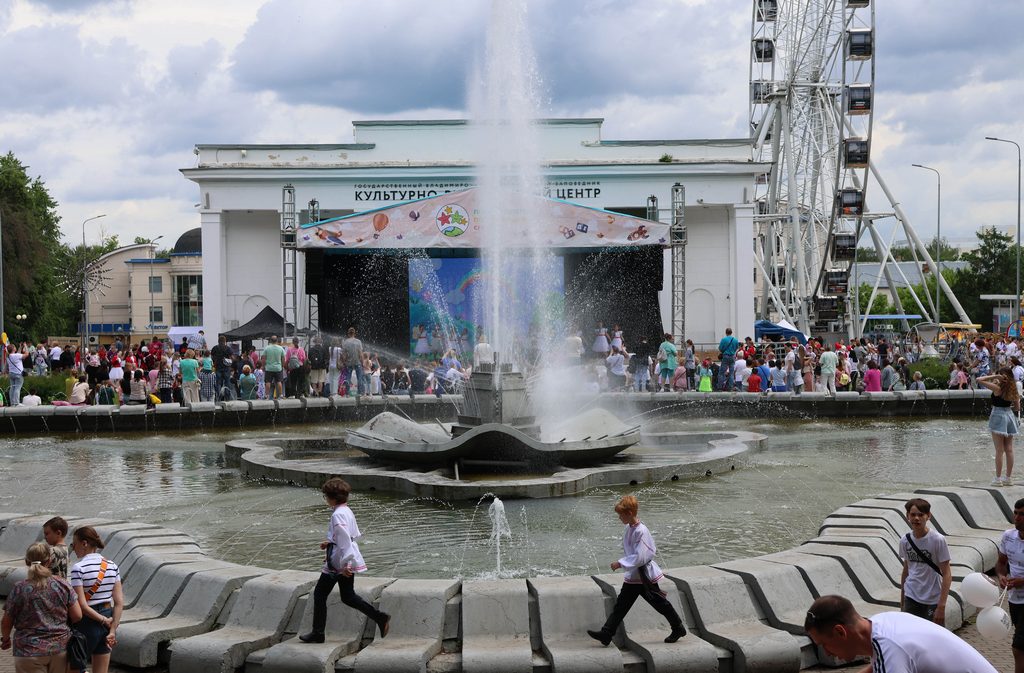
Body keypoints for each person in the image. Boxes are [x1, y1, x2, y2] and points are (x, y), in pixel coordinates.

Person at [299, 478, 390, 643]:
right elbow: (348, 536)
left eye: (326, 496)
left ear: (332, 498)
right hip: (343, 557)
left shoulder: (338, 514)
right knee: (348, 596)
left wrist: (345, 565)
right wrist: (330, 543)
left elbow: (344, 540)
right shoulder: (346, 510)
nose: (325, 499)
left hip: (339, 562)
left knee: (320, 594)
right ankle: (379, 617)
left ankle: (318, 633)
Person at [586, 495, 685, 646]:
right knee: (624, 604)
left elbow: (641, 556)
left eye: (621, 514)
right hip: (636, 575)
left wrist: (620, 563)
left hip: (643, 576)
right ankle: (607, 633)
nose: (619, 517)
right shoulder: (630, 528)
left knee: (657, 603)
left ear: (630, 513)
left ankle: (678, 627)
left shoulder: (641, 531)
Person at [804, 594, 995, 673]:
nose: (827, 653)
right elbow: (878, 665)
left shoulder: (889, 648)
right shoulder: (883, 622)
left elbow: (889, 659)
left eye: (824, 644)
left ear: (840, 632)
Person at [1, 542, 82, 673]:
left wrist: (5, 639)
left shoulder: (19, 588)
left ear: (27, 561)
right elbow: (77, 615)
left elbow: (6, 621)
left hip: (28, 651)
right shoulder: (62, 584)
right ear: (49, 561)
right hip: (60, 649)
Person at [69, 526, 124, 673]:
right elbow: (119, 602)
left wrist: (103, 620)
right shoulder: (112, 566)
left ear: (84, 543)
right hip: (108, 615)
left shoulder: (78, 568)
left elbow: (82, 605)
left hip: (87, 621)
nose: (73, 549)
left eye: (74, 544)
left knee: (74, 668)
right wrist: (112, 629)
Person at [898, 498, 951, 625]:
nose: (916, 518)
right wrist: (902, 601)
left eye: (921, 515)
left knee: (932, 634)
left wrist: (941, 606)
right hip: (911, 596)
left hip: (932, 599)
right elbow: (906, 570)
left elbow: (947, 574)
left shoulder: (938, 540)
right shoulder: (905, 541)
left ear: (928, 516)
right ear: (907, 516)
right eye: (913, 514)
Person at [979, 367, 1021, 486]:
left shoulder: (997, 389)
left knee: (999, 450)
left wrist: (994, 377)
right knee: (1009, 449)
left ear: (1002, 376)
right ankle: (1008, 478)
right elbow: (1017, 407)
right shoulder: (1013, 389)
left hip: (998, 416)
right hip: (1009, 416)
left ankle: (998, 479)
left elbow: (979, 379)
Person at [998, 498, 1024, 673]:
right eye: (1015, 513)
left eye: (1022, 514)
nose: (1017, 517)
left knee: (1018, 647)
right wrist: (1002, 576)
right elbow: (1001, 563)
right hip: (1014, 600)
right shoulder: (1008, 536)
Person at [211, 336, 235, 401]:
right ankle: (227, 398)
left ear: (218, 341)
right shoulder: (228, 348)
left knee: (218, 383)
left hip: (218, 368)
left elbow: (212, 357)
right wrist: (230, 362)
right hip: (226, 368)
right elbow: (232, 358)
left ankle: (219, 397)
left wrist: (215, 361)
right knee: (227, 383)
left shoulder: (215, 348)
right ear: (225, 341)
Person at [341, 328, 365, 396]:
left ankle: (347, 393)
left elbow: (344, 355)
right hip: (357, 362)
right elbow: (360, 353)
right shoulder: (358, 342)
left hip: (349, 363)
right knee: (359, 378)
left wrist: (344, 362)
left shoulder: (345, 342)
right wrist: (362, 362)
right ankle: (360, 393)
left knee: (348, 378)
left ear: (348, 334)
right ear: (354, 333)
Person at [262, 335, 286, 400]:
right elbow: (283, 359)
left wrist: (263, 366)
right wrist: (282, 366)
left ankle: (267, 395)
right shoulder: (280, 348)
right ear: (277, 340)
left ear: (270, 340)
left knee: (268, 382)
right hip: (278, 368)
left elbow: (263, 358)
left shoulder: (267, 348)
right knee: (279, 381)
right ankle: (280, 395)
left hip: (269, 368)